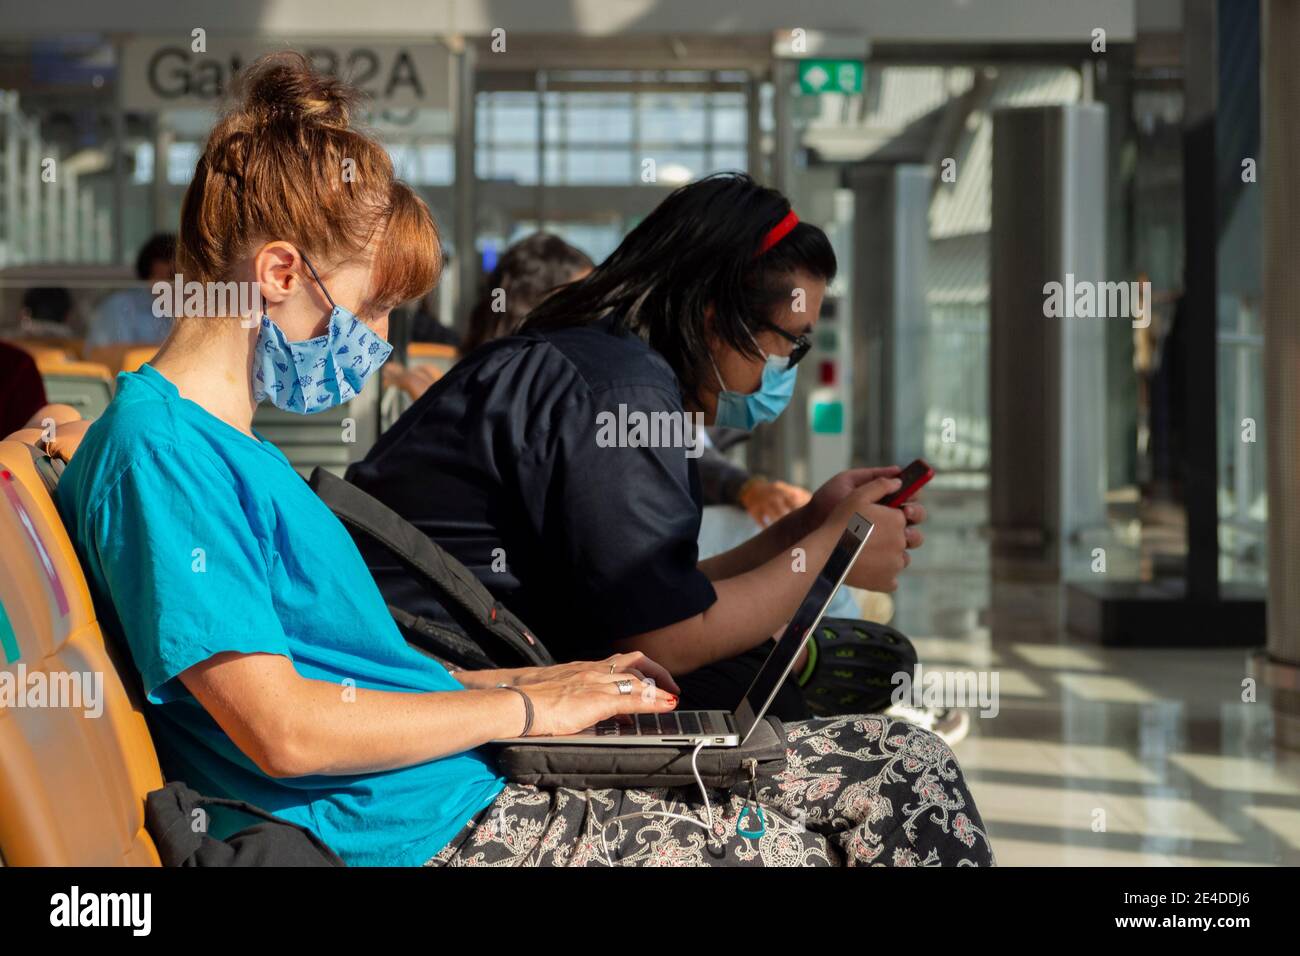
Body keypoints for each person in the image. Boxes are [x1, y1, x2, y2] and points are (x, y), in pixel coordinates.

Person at [54, 54, 990, 867]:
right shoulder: (164, 454)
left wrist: (530, 685)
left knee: (906, 771)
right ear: (282, 274)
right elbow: (287, 730)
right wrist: (527, 713)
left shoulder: (228, 453)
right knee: (845, 815)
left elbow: (360, 676)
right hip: (420, 830)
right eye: (375, 308)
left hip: (449, 792)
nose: (379, 341)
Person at [347, 173, 927, 721]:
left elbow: (656, 603)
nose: (784, 369)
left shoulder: (606, 364)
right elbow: (667, 641)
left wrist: (807, 530)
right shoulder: (624, 393)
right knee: (803, 723)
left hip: (410, 655)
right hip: (420, 681)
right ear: (716, 316)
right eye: (788, 345)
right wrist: (832, 551)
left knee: (748, 682)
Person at [85, 232, 176, 347]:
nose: (178, 284)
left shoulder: (181, 312)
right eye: (171, 276)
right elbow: (112, 354)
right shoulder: (120, 306)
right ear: (153, 270)